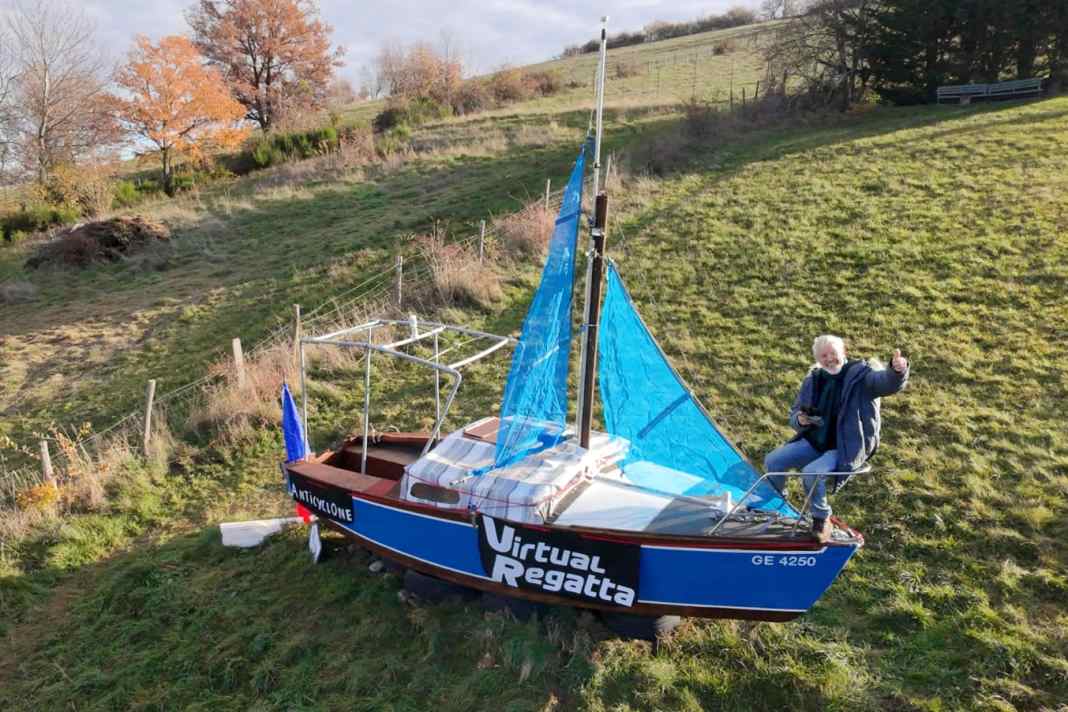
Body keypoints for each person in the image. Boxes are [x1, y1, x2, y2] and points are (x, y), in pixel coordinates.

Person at [764, 335, 909, 542]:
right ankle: (775, 505)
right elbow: (795, 412)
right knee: (774, 460)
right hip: (816, 441)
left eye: (833, 353)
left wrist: (897, 371)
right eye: (824, 355)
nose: (829, 359)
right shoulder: (813, 378)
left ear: (844, 353)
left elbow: (886, 383)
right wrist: (800, 420)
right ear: (818, 359)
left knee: (811, 472)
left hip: (845, 446)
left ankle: (822, 518)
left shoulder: (863, 376)